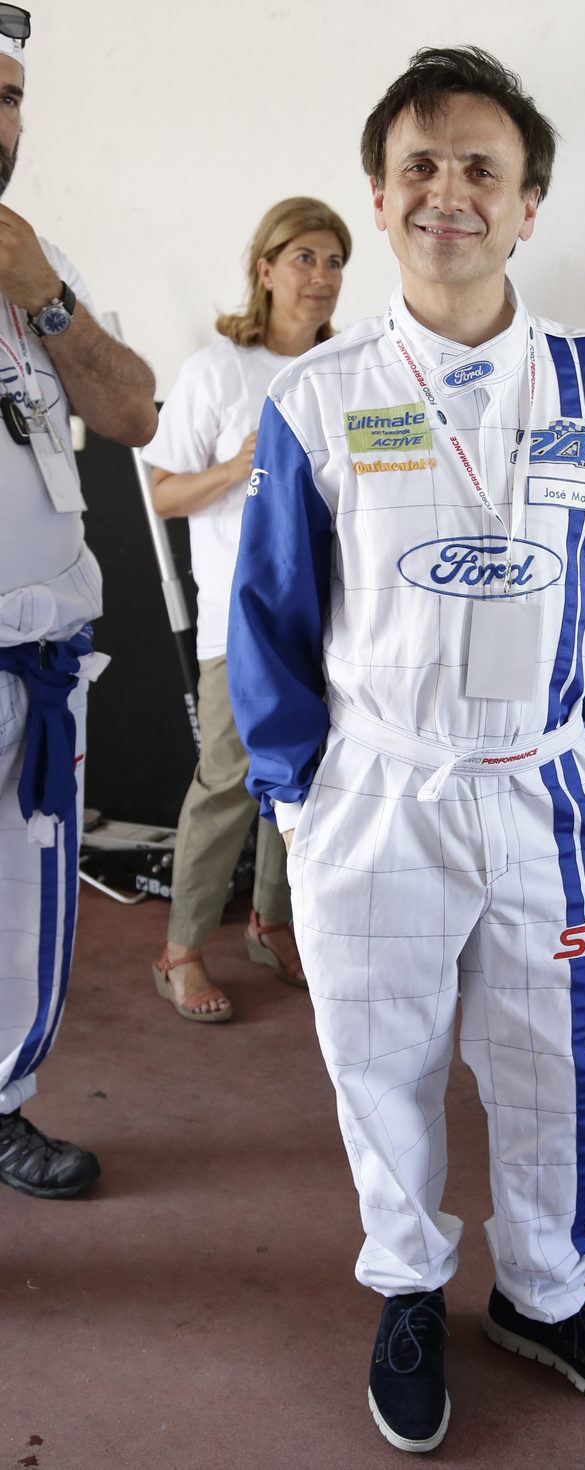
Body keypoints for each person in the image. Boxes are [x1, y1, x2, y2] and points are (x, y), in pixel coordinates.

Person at [227, 46, 585, 1453]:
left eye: (480, 166)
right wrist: (299, 802)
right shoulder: (316, 401)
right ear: (380, 196)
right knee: (383, 1061)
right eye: (419, 166)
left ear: (530, 201)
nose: (449, 192)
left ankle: (545, 1294)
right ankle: (411, 1284)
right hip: (375, 791)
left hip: (551, 793)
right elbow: (270, 621)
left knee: (557, 1061)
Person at [0, 6, 158, 1198]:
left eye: (9, 98)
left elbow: (133, 414)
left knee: (20, 922)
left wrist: (43, 292)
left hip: (42, 664)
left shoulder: (35, 264)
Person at [144, 198, 351, 1022]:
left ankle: (272, 921)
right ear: (264, 268)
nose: (323, 276)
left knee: (306, 779)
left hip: (331, 619)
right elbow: (162, 494)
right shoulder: (216, 370)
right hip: (241, 622)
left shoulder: (349, 374)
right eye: (304, 257)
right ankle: (181, 950)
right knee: (228, 780)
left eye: (336, 260)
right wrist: (237, 467)